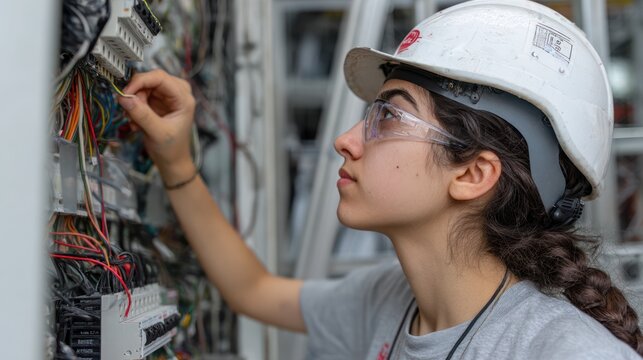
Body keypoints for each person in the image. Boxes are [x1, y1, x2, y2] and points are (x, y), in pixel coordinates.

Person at [118, 0, 643, 358]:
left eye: (388, 117)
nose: (345, 140)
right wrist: (176, 162)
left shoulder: (566, 351)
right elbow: (252, 291)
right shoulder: (387, 300)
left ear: (474, 173)